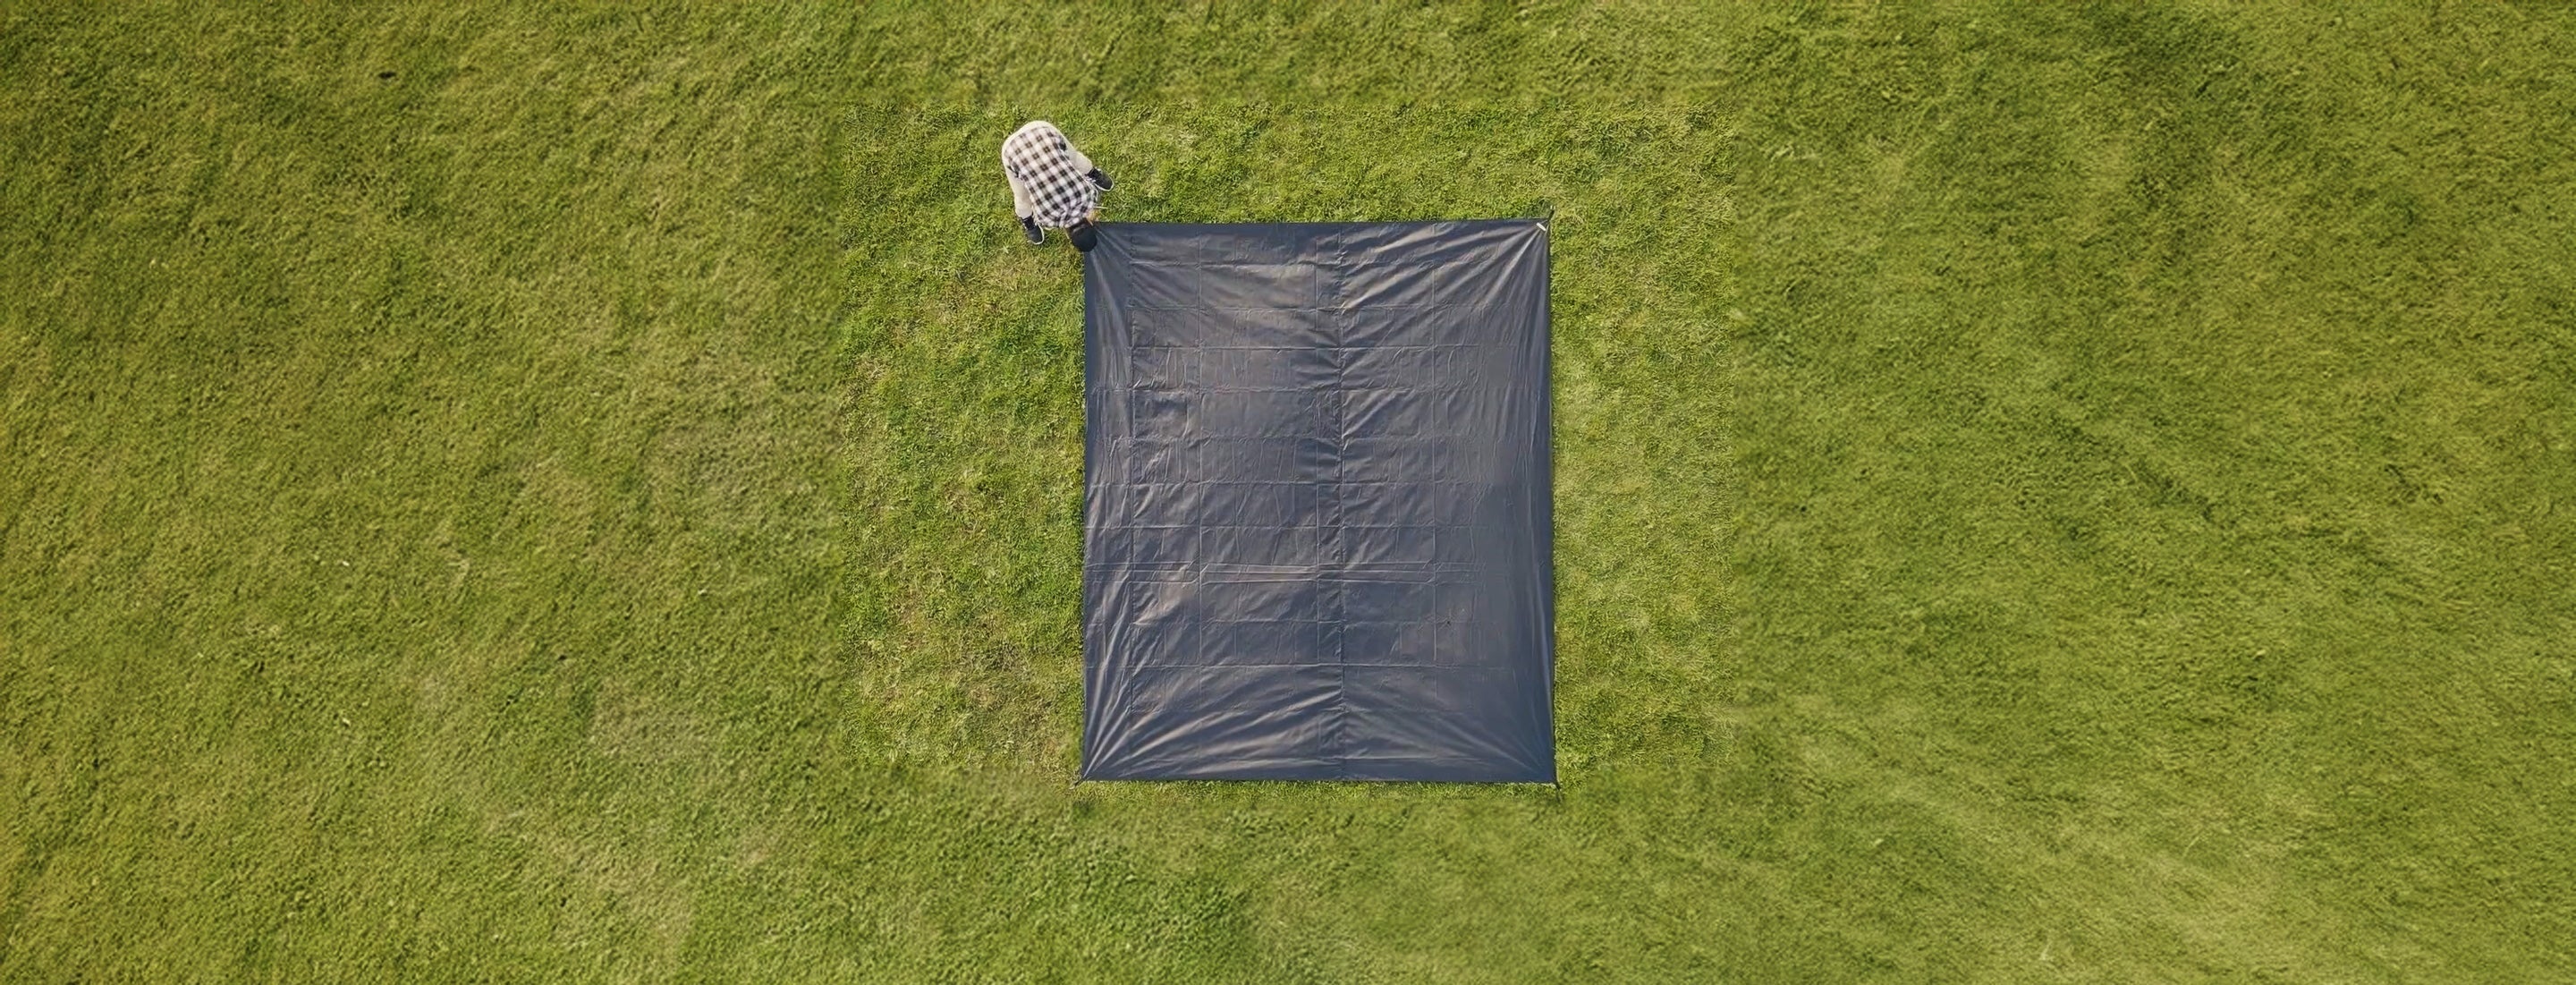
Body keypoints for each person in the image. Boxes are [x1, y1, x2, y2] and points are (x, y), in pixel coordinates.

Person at [1001, 120, 1113, 252]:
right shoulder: (1047, 219)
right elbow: (1039, 203)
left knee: (1075, 159)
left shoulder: (1090, 196)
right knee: (1022, 197)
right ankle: (1029, 223)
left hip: (1042, 130)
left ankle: (1092, 172)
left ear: (1091, 222)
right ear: (1067, 234)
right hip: (1011, 151)